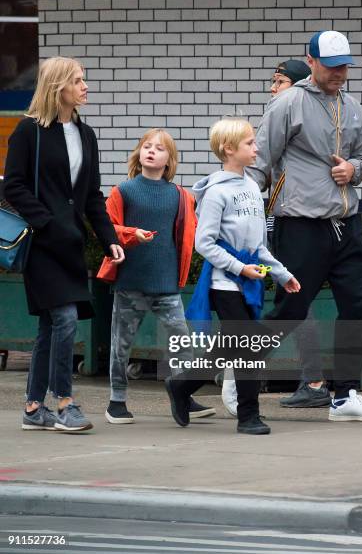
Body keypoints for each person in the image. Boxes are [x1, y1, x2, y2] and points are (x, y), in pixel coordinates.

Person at [249, 30, 362, 422]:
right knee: (291, 309)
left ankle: (344, 396)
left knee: (358, 303)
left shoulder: (353, 106)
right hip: (301, 224)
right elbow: (261, 160)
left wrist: (353, 169)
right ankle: (224, 370)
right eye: (331, 66)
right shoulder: (289, 103)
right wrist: (237, 203)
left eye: (344, 65)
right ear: (311, 62)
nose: (339, 73)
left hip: (346, 223)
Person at [4, 56, 125, 432]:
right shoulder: (29, 132)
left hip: (70, 245)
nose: (85, 86)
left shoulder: (86, 135)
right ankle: (65, 403)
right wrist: (46, 222)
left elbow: (91, 196)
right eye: (78, 80)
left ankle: (32, 407)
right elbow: (13, 186)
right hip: (42, 245)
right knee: (66, 319)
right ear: (59, 87)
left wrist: (110, 240)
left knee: (49, 326)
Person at [165, 117, 301, 436]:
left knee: (228, 349)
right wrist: (239, 268)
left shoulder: (253, 188)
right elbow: (204, 243)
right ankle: (248, 415)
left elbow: (258, 247)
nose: (256, 148)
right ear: (228, 150)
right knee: (248, 346)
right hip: (225, 284)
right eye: (250, 143)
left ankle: (182, 385)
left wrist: (281, 274)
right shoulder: (216, 193)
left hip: (249, 283)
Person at [221, 59, 331, 414]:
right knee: (297, 298)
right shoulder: (299, 119)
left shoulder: (291, 119)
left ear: (298, 87)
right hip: (286, 217)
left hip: (292, 219)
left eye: (279, 81)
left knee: (293, 298)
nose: (273, 88)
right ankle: (312, 381)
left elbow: (260, 168)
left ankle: (307, 380)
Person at [97, 128, 215, 424]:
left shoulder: (179, 196)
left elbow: (190, 235)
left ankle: (183, 395)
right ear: (138, 153)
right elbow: (108, 228)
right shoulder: (123, 191)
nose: (151, 151)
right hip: (130, 283)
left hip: (166, 285)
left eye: (159, 148)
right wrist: (131, 234)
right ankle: (117, 401)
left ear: (169, 160)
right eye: (146, 146)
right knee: (120, 343)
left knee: (182, 343)